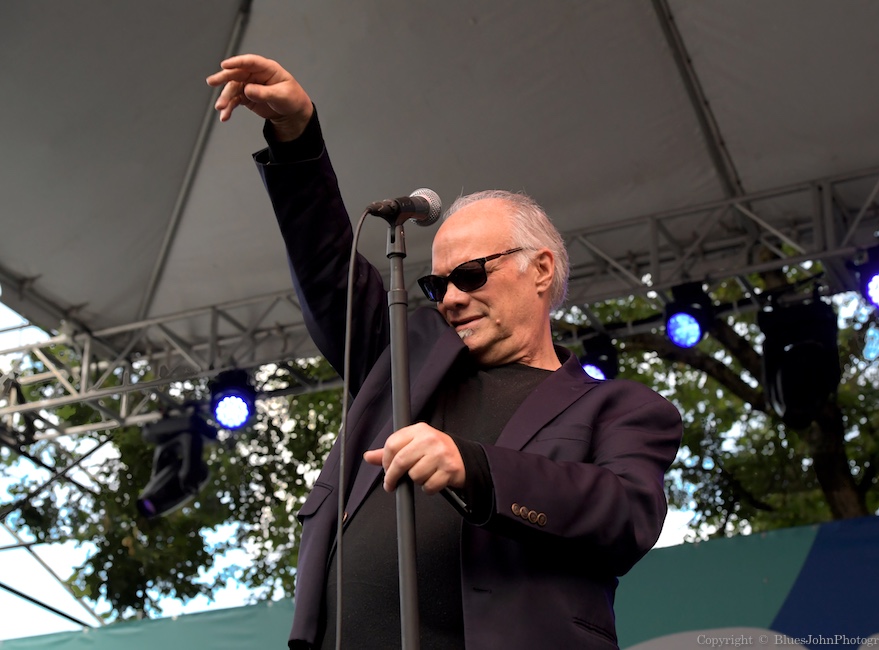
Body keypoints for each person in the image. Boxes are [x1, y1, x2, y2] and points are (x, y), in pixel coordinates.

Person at [207, 54, 683, 650]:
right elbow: (330, 275)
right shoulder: (408, 359)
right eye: (438, 285)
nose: (452, 298)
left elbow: (626, 515)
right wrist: (297, 138)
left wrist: (474, 468)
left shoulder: (620, 408)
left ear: (540, 269)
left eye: (471, 275)